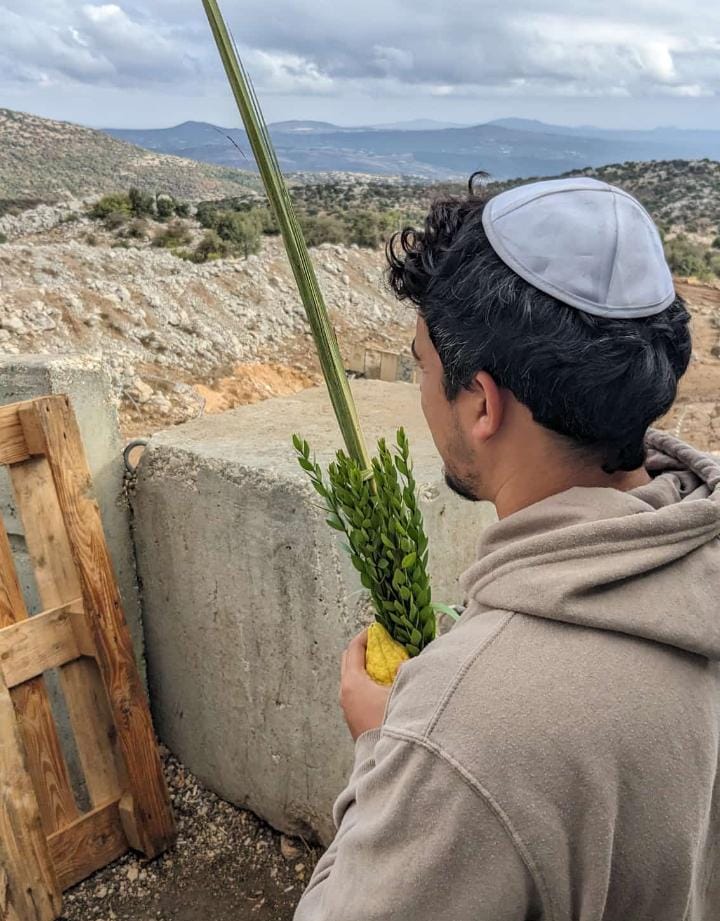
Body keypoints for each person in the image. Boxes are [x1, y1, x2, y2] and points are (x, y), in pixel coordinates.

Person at [293, 176, 720, 921]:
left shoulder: (465, 733)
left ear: (483, 403)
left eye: (422, 364)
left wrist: (385, 751)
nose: (422, 389)